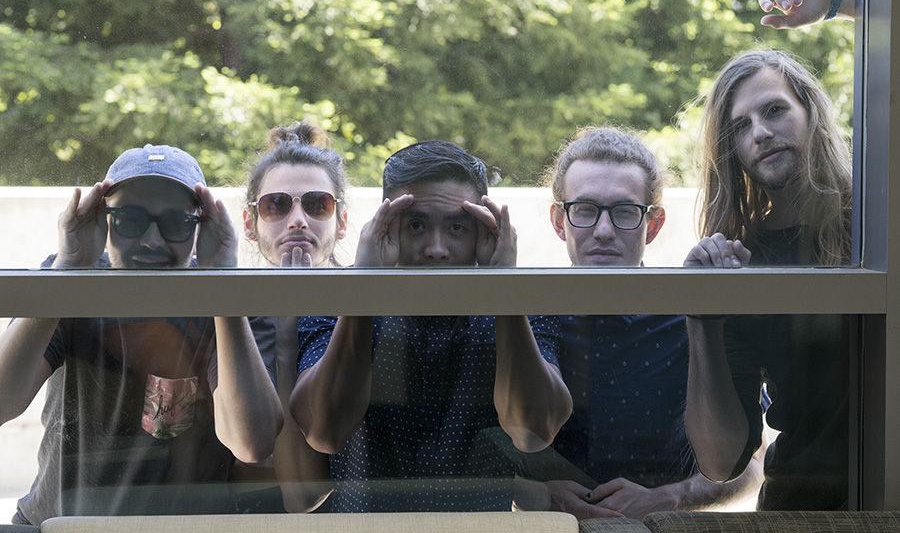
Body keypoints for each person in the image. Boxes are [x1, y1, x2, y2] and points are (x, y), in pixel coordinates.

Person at [0, 144, 283, 524]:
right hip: (62, 524)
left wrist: (222, 283)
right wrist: (68, 266)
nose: (152, 240)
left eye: (175, 222)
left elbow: (252, 442)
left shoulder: (229, 304)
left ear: (201, 226)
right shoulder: (71, 283)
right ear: (104, 219)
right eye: (130, 219)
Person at [288, 140, 573, 512]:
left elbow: (534, 433)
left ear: (483, 231)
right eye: (417, 225)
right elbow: (324, 430)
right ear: (386, 225)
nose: (436, 248)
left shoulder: (522, 307)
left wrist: (504, 289)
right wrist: (365, 286)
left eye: (457, 227)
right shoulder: (335, 300)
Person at [515, 127, 760, 519]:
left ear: (655, 223)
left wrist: (670, 497)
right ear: (559, 221)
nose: (604, 231)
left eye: (625, 211)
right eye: (585, 209)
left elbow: (748, 468)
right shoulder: (524, 320)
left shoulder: (691, 321)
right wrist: (537, 492)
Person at [684, 44, 853, 508]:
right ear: (731, 150)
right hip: (802, 504)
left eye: (775, 110)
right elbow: (721, 462)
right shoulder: (744, 259)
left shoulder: (877, 219)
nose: (760, 133)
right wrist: (701, 315)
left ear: (811, 111)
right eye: (740, 126)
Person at [235, 120, 349, 513]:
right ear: (250, 223)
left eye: (318, 204)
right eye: (276, 205)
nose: (298, 219)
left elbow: (305, 495)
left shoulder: (357, 314)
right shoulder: (235, 318)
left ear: (342, 221)